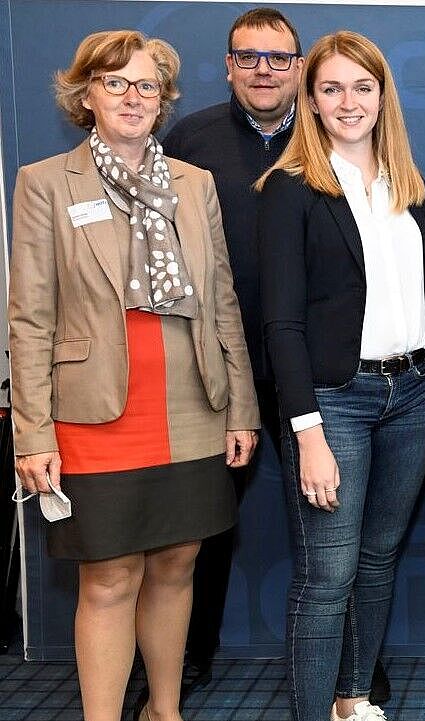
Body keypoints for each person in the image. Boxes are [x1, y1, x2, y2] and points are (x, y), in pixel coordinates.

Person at [158, 8, 408, 703]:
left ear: (301, 68)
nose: (264, 69)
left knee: (344, 536)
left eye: (278, 57)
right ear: (230, 65)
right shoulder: (190, 139)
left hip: (317, 367)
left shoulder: (330, 138)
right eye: (248, 57)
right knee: (206, 521)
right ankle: (189, 656)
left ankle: (352, 668)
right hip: (225, 364)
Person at [9, 30, 260, 721]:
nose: (131, 96)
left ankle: (164, 710)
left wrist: (242, 406)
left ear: (163, 100)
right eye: (115, 82)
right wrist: (32, 433)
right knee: (111, 574)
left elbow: (221, 298)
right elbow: (29, 318)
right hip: (93, 414)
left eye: (146, 85)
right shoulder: (44, 184)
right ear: (85, 94)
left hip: (191, 404)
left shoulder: (194, 183)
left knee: (178, 564)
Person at [255, 30, 425, 721]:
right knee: (327, 577)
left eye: (362, 87)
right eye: (332, 88)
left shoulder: (408, 184)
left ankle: (352, 698)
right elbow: (280, 323)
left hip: (413, 395)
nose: (349, 101)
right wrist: (306, 431)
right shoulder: (291, 190)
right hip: (332, 404)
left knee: (377, 561)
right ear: (311, 101)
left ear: (383, 97)